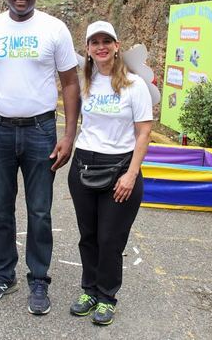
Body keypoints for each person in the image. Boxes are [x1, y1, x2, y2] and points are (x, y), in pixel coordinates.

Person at [0, 0, 80, 315]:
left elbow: (71, 82)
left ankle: (39, 279)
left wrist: (69, 134)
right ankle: (2, 274)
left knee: (40, 211)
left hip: (41, 131)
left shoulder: (54, 29)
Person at [67, 21, 152, 326]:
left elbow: (144, 133)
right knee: (88, 236)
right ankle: (89, 290)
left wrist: (131, 175)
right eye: (94, 42)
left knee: (110, 239)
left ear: (117, 46)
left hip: (120, 169)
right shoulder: (85, 82)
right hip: (84, 166)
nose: (100, 46)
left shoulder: (133, 84)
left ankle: (107, 296)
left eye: (106, 41)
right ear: (88, 50)